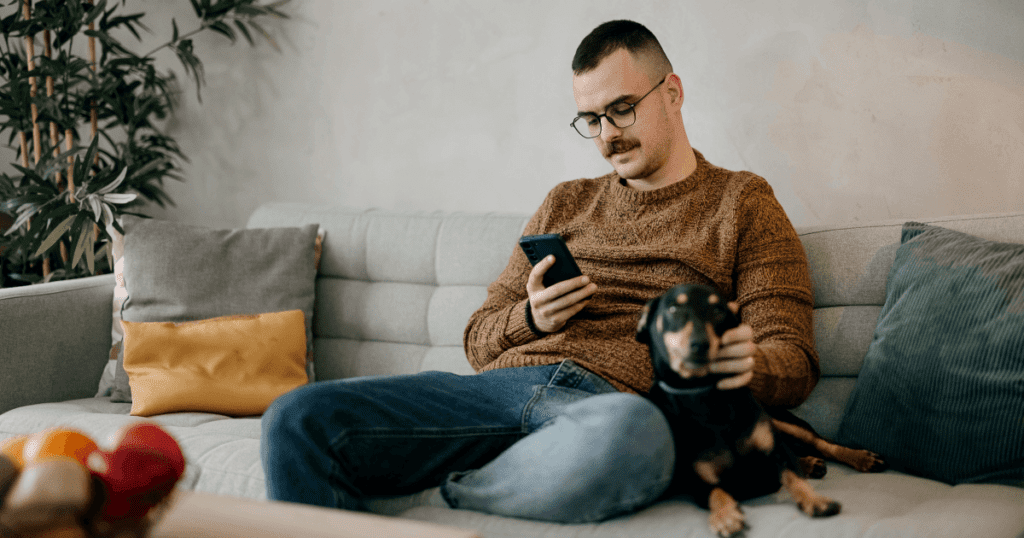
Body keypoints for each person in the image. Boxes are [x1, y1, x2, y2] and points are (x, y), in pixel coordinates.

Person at [260, 19, 818, 524]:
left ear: (671, 93)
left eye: (622, 109)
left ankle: (453, 497)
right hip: (503, 391)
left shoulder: (743, 202)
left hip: (617, 410)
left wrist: (746, 364)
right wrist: (531, 318)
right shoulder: (564, 202)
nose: (607, 136)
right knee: (296, 418)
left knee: (635, 433)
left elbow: (793, 361)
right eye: (591, 119)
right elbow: (478, 340)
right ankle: (508, 480)